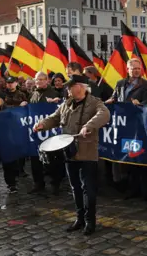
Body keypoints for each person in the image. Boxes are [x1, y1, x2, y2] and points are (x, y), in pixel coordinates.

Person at [34, 75, 111, 235]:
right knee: (75, 187)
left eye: (71, 86)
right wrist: (42, 125)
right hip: (69, 151)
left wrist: (89, 125)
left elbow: (104, 114)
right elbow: (54, 118)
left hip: (87, 152)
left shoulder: (94, 102)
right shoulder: (66, 104)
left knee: (87, 188)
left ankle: (90, 221)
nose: (67, 89)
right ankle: (79, 218)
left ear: (81, 87)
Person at [106, 58, 147, 200]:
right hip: (124, 127)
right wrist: (110, 101)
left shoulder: (145, 85)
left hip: (138, 127)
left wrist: (140, 104)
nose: (136, 71)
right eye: (133, 68)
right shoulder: (120, 84)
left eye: (138, 68)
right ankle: (133, 189)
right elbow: (114, 97)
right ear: (128, 69)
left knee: (141, 158)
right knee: (129, 159)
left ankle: (146, 192)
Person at [28, 72, 63, 194]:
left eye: (42, 79)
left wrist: (56, 101)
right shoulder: (33, 95)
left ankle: (55, 184)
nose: (40, 82)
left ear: (47, 80)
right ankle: (38, 183)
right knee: (35, 159)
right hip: (37, 131)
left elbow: (61, 109)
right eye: (37, 80)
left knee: (52, 159)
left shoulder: (54, 93)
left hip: (50, 131)